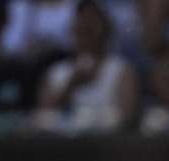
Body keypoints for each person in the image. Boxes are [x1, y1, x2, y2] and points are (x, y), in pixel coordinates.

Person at [35, 0, 138, 131]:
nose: (86, 25)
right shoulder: (56, 72)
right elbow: (41, 118)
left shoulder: (122, 70)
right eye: (81, 22)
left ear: (106, 28)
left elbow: (127, 119)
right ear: (73, 29)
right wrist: (71, 86)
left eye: (92, 23)